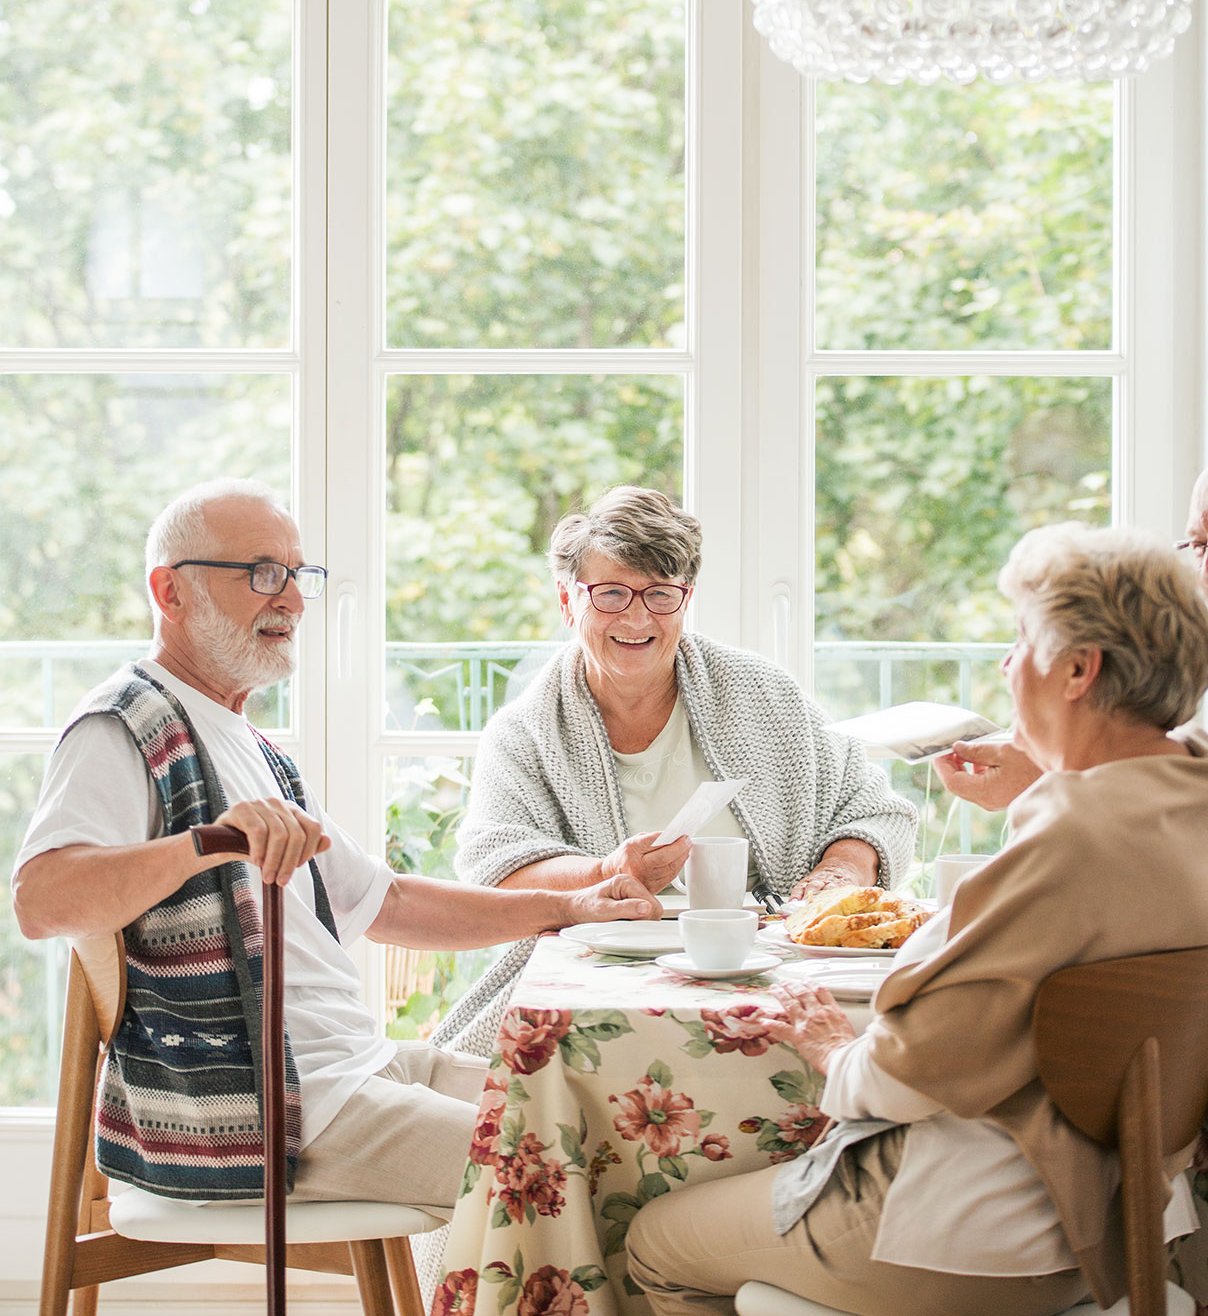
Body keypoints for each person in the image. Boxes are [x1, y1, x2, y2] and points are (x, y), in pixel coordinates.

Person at [12, 479, 659, 1214]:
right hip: (274, 1106)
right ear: (171, 591)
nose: (288, 598)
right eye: (260, 573)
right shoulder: (124, 723)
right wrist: (208, 843)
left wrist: (573, 904)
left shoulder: (253, 746)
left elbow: (390, 901)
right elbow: (41, 900)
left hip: (357, 1066)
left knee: (613, 1129)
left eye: (297, 575)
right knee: (571, 1174)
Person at [626, 522, 1208, 1316]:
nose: (1006, 670)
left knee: (653, 1240)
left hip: (968, 1234)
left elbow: (899, 1081)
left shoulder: (1065, 838)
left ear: (1079, 669)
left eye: (1018, 643)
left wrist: (833, 1049)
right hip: (1135, 1225)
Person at [433, 485, 918, 1055]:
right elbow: (494, 869)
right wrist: (604, 872)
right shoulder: (526, 732)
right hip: (601, 988)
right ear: (568, 602)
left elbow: (875, 810)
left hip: (772, 978)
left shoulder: (764, 695)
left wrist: (841, 873)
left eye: (661, 595)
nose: (637, 617)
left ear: (685, 600)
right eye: (611, 593)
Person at [935, 471, 1208, 812]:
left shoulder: (1067, 836)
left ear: (1079, 668)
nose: (1205, 573)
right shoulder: (1191, 762)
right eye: (1200, 545)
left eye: (1024, 639)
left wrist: (1057, 787)